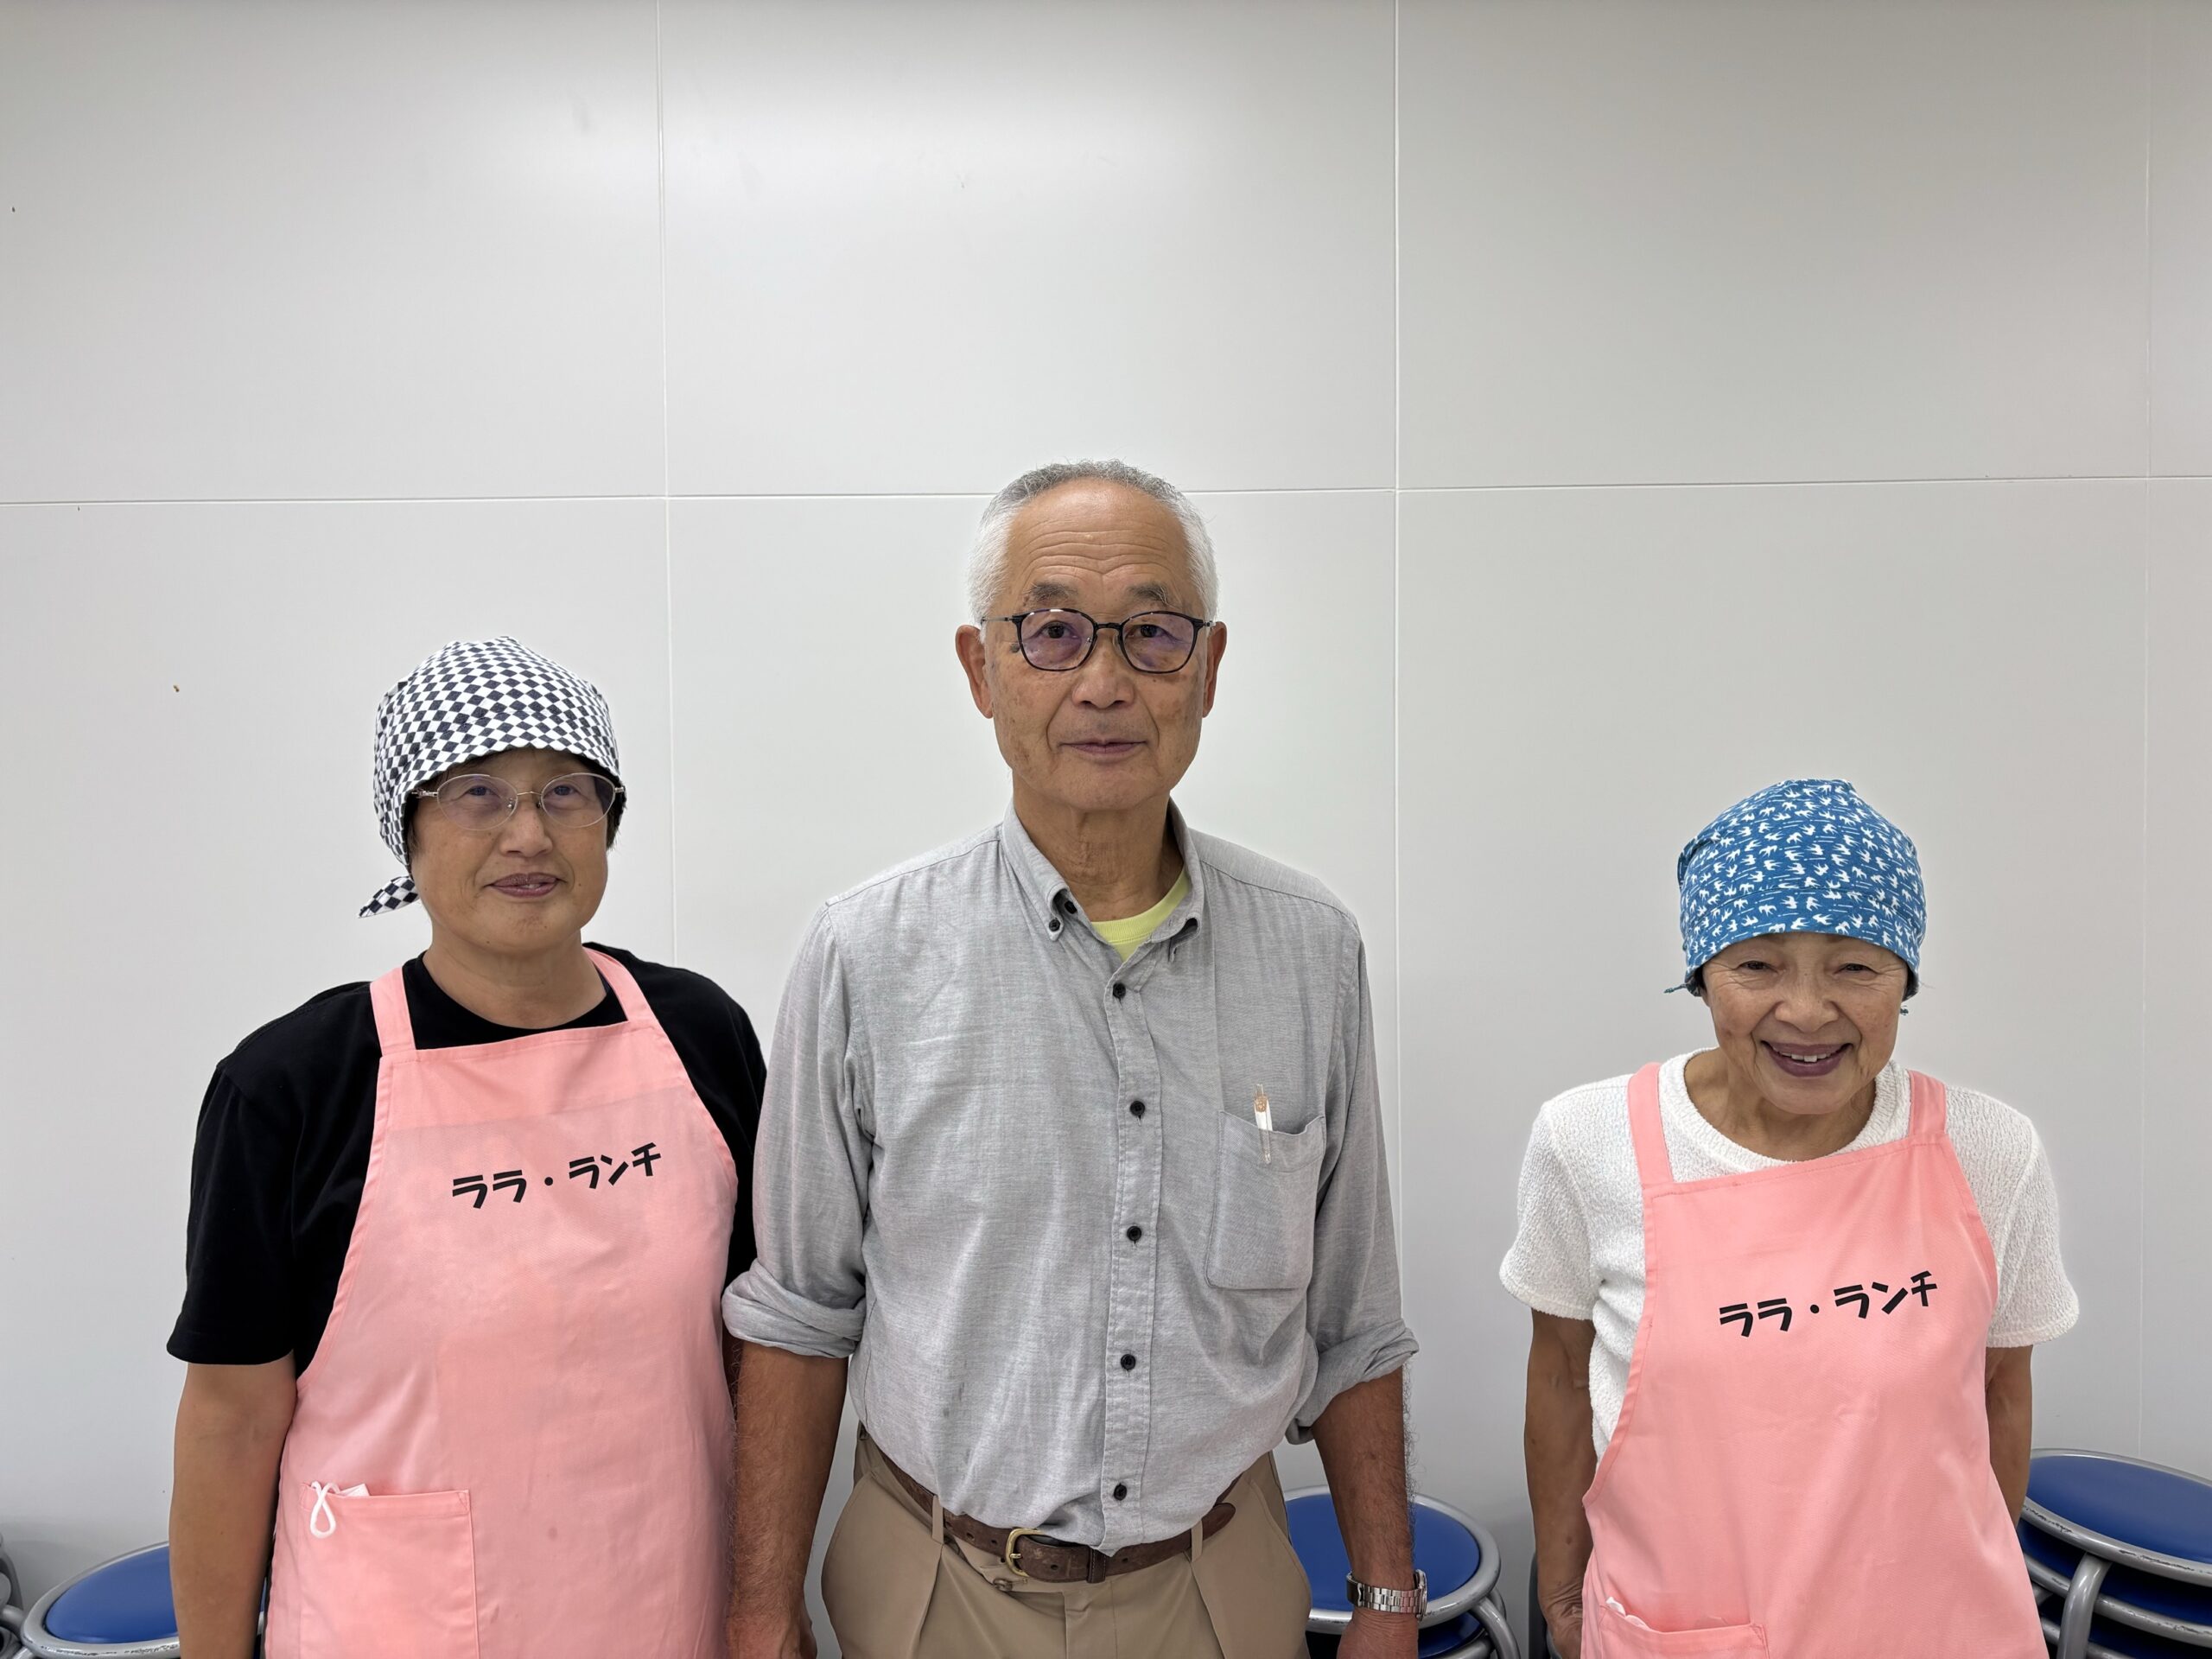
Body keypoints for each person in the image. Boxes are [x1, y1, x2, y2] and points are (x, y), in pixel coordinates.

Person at [725, 460, 1422, 1659]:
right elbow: (800, 1313)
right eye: (1051, 632)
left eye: (1151, 633)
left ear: (1207, 668)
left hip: (1219, 1583)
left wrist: (1386, 1599)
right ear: (980, 669)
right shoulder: (866, 953)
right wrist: (757, 1609)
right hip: (936, 1588)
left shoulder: (1311, 950)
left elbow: (1354, 1320)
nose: (1104, 682)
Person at [167, 637, 764, 1659]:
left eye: (566, 792)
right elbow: (232, 1420)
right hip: (394, 1625)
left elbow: (763, 1348)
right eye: (476, 794)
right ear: (406, 829)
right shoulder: (292, 1086)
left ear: (608, 821)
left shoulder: (699, 1033)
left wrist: (769, 1605)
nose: (528, 834)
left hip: (666, 1604)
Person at [1507, 778, 2076, 1657]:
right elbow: (1558, 1377)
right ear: (1701, 977)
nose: (1807, 1012)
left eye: (1855, 966)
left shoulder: (1990, 1151)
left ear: (1904, 978)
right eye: (1757, 965)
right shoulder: (1589, 1143)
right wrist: (1561, 1588)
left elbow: (2001, 1390)